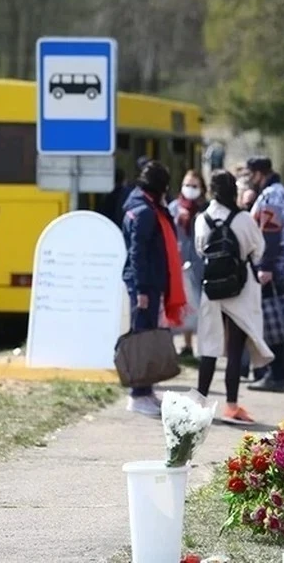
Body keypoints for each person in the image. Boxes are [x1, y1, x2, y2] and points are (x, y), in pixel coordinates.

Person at [194, 170, 274, 425]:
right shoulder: (243, 219)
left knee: (209, 346)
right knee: (235, 349)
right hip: (239, 289)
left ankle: (200, 404)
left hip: (212, 289)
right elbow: (258, 250)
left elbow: (199, 250)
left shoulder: (202, 219)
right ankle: (231, 406)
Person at [119, 160, 188, 417]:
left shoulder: (138, 205)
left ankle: (146, 392)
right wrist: (143, 291)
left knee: (146, 335)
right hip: (143, 285)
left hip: (145, 282)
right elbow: (138, 254)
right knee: (143, 339)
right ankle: (138, 395)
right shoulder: (146, 212)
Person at [245, 156, 284, 393]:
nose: (249, 180)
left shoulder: (271, 196)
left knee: (275, 321)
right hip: (281, 264)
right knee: (279, 321)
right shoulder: (277, 191)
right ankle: (279, 376)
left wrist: (265, 266)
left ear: (259, 173)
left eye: (251, 174)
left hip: (274, 266)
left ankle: (277, 376)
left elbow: (271, 232)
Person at [168, 170, 208, 357]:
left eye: (194, 186)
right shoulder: (174, 208)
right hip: (180, 262)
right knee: (185, 305)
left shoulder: (206, 210)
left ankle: (204, 347)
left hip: (201, 263)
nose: (190, 189)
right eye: (187, 185)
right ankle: (187, 344)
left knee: (202, 306)